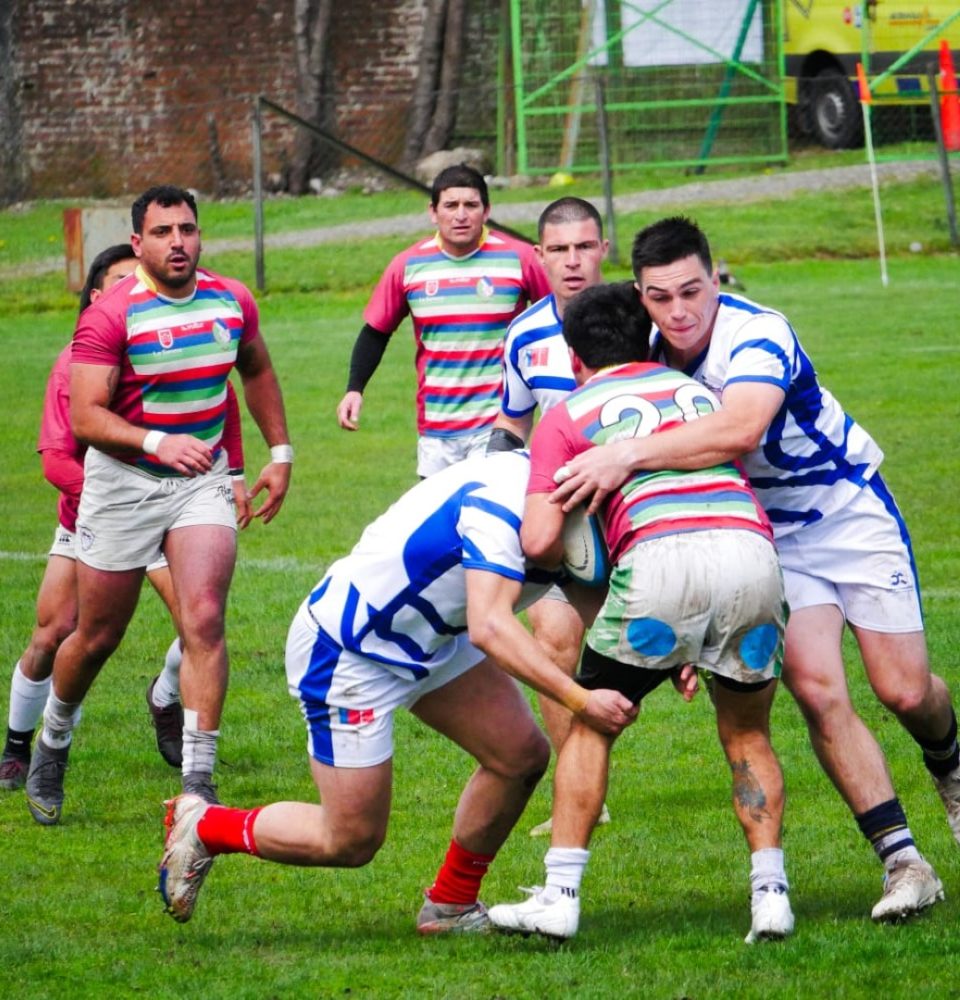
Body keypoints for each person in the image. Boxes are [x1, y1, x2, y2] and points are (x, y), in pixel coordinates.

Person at [550, 216, 957, 923]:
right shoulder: (650, 350)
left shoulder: (757, 331)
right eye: (659, 297)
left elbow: (740, 428)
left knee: (904, 689)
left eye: (691, 291)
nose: (678, 312)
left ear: (716, 277)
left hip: (844, 508)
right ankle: (904, 863)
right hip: (762, 533)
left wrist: (625, 455)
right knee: (816, 688)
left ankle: (949, 762)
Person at [155, 450, 637, 930]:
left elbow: (597, 601)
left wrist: (671, 654)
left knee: (520, 756)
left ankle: (450, 905)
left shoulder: (576, 501)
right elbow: (491, 628)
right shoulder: (502, 505)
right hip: (350, 650)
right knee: (351, 839)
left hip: (431, 638)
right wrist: (580, 700)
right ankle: (204, 827)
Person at [488, 284, 793, 944]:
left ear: (574, 357)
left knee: (591, 724)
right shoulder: (702, 396)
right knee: (747, 734)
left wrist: (573, 526)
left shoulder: (566, 415)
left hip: (657, 565)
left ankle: (560, 896)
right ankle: (771, 895)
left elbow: (539, 540)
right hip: (753, 554)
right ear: (650, 339)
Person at [23, 185, 292, 826]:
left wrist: (278, 453)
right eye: (164, 232)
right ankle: (53, 740)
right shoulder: (112, 315)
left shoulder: (231, 300)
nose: (179, 242)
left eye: (188, 230)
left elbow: (254, 370)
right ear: (138, 242)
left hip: (199, 478)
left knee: (203, 619)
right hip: (122, 482)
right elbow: (86, 416)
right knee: (96, 636)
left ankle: (199, 779)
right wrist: (154, 440)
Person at [0, 245, 251, 792]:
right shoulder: (75, 367)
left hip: (180, 503)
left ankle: (169, 708)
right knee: (63, 633)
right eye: (120, 283)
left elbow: (221, 402)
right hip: (95, 515)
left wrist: (237, 470)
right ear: (98, 299)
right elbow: (58, 458)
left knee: (200, 619)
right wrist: (112, 498)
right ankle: (24, 745)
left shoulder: (180, 338)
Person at [486, 196, 610, 835]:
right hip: (566, 523)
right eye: (558, 250)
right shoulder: (525, 334)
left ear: (603, 251)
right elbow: (512, 424)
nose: (572, 261)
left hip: (643, 520)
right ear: (539, 257)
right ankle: (580, 788)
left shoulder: (642, 323)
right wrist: (496, 478)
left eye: (583, 247)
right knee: (554, 644)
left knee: (698, 656)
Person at [335, 163, 550, 477]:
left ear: (486, 210)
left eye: (471, 205)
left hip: (499, 425)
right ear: (433, 212)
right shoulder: (408, 266)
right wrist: (355, 389)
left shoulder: (520, 259)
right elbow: (376, 332)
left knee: (488, 520)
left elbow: (556, 319)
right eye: (451, 205)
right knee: (440, 524)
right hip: (436, 429)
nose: (461, 215)